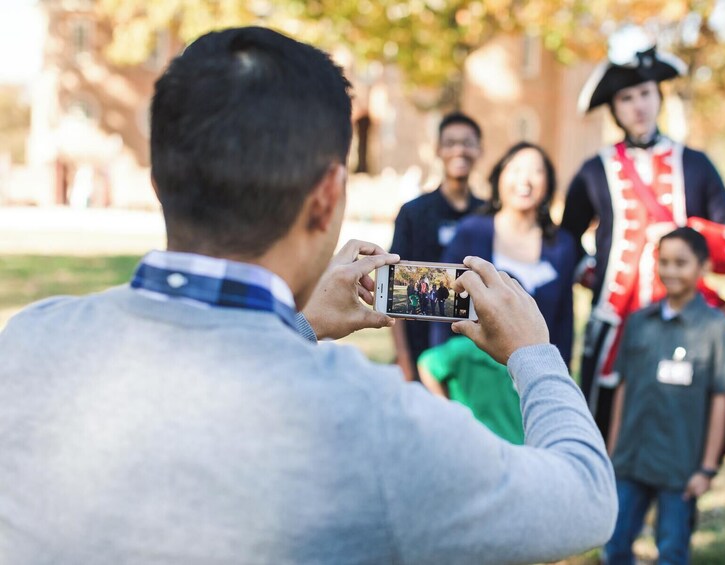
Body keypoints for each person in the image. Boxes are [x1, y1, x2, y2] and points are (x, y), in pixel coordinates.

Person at [0, 27, 617, 564]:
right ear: (327, 197)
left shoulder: (30, 341)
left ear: (158, 180)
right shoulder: (376, 425)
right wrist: (535, 351)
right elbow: (586, 501)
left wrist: (295, 326)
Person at [562, 35, 725, 438]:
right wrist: (595, 274)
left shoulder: (696, 165)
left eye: (645, 93)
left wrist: (686, 234)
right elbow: (565, 239)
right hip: (615, 324)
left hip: (681, 324)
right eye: (626, 98)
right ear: (614, 108)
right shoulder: (595, 169)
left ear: (659, 97)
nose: (639, 106)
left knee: (674, 428)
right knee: (601, 424)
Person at [605, 227, 725, 565]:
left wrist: (707, 468)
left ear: (702, 266)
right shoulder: (638, 322)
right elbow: (623, 388)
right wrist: (611, 450)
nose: (671, 271)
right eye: (664, 262)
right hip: (630, 459)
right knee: (614, 543)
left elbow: (722, 400)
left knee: (672, 550)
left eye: (681, 263)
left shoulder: (715, 329)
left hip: (680, 466)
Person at [436, 142, 576, 365]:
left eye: (536, 171)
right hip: (473, 378)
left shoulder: (562, 245)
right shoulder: (470, 231)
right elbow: (443, 306)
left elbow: (564, 324)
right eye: (516, 170)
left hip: (534, 374)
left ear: (548, 183)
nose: (525, 179)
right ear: (499, 177)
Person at [390, 112, 485, 380]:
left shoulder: (487, 217)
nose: (459, 150)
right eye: (451, 142)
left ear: (480, 150)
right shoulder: (413, 213)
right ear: (438, 150)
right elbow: (395, 289)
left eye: (467, 143)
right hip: (419, 354)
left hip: (472, 361)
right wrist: (405, 360)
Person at [418, 335, 524, 445]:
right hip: (477, 446)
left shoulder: (529, 353)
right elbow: (426, 363)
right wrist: (447, 410)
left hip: (520, 448)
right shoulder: (466, 350)